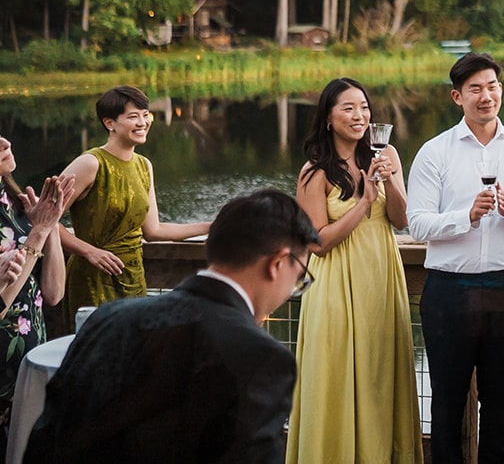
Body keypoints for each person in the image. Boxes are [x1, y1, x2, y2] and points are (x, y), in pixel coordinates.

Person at [22, 188, 319, 464]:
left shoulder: (107, 318)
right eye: (299, 278)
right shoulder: (263, 358)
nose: (291, 290)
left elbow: (46, 442)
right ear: (278, 263)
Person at [407, 53, 504, 464]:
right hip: (449, 289)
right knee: (448, 402)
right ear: (458, 97)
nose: (485, 95)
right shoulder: (434, 152)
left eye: (492, 86)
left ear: (501, 90)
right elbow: (416, 224)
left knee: (500, 400)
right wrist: (465, 218)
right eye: (475, 89)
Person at [286, 77, 422, 464]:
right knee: (337, 376)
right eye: (348, 108)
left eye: (363, 107)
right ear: (328, 118)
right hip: (335, 283)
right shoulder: (314, 171)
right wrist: (363, 202)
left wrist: (390, 181)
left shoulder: (387, 154)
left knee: (381, 372)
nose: (359, 115)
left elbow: (401, 219)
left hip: (381, 276)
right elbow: (317, 242)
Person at [59, 85, 211, 315]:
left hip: (133, 276)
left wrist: (211, 226)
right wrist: (89, 251)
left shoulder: (144, 165)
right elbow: (44, 221)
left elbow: (153, 231)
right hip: (93, 277)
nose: (142, 123)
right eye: (133, 117)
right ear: (110, 123)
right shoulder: (91, 163)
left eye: (145, 115)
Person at [0, 135, 73, 442]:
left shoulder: (16, 206)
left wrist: (50, 227)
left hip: (30, 354)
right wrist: (39, 231)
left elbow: (54, 294)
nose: (4, 142)